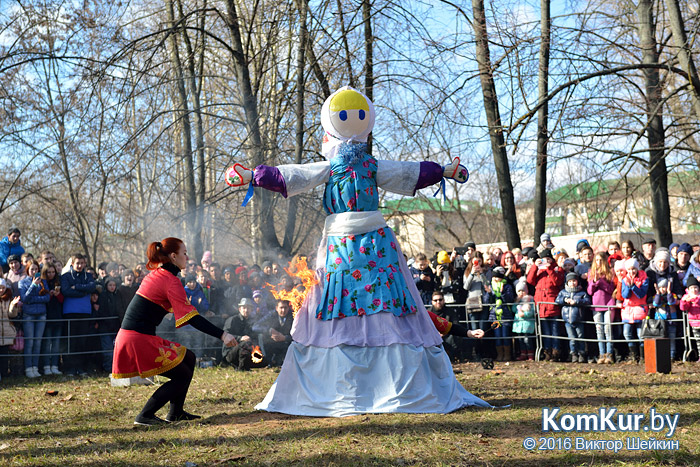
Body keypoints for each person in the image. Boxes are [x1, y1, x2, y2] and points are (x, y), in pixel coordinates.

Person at [232, 86, 489, 416]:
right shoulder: (334, 166)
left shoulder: (370, 165)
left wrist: (442, 171)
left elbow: (407, 172)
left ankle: (382, 379)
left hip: (372, 245)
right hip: (346, 245)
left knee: (383, 299)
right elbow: (295, 174)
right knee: (343, 298)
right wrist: (254, 176)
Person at [112, 238, 237, 425]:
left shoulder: (161, 275)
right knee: (182, 375)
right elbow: (192, 318)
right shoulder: (169, 280)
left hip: (138, 335)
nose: (187, 257)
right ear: (173, 256)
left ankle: (176, 412)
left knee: (189, 358)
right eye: (184, 253)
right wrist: (222, 334)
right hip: (136, 338)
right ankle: (145, 415)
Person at [60, 254, 98, 376]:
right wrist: (83, 291)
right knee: (71, 342)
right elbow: (66, 291)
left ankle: (81, 368)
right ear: (72, 264)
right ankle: (70, 368)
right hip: (70, 312)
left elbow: (92, 287)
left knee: (82, 341)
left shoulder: (88, 276)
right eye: (78, 263)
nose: (80, 265)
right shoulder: (66, 276)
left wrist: (76, 287)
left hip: (85, 312)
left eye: (82, 263)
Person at [527, 248, 565, 361]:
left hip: (552, 306)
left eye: (548, 259)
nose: (545, 261)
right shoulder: (538, 270)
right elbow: (530, 281)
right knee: (545, 332)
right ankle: (547, 352)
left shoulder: (557, 269)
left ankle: (556, 353)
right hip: (541, 307)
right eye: (544, 259)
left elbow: (557, 281)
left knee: (555, 332)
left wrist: (549, 268)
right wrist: (535, 266)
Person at [19, 260, 50, 378]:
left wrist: (34, 299)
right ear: (27, 270)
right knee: (30, 342)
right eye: (32, 269)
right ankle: (28, 368)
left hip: (41, 314)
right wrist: (33, 285)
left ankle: (35, 368)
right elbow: (25, 298)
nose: (34, 271)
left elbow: (47, 298)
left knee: (38, 342)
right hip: (29, 315)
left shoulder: (44, 282)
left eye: (36, 269)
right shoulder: (22, 283)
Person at [587, 252, 616, 364]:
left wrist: (601, 281)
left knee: (608, 330)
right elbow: (590, 291)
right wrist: (594, 282)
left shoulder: (610, 273)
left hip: (608, 304)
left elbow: (610, 289)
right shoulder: (591, 272)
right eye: (597, 260)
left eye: (600, 260)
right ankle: (601, 354)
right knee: (599, 331)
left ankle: (609, 354)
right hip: (596, 305)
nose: (598, 262)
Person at [555, 272, 591, 363]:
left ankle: (582, 354)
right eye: (570, 281)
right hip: (567, 320)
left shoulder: (582, 292)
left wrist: (577, 301)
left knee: (580, 337)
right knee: (572, 338)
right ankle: (573, 354)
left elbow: (587, 301)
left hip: (578, 319)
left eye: (574, 281)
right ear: (567, 283)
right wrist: (565, 300)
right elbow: (557, 300)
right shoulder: (563, 292)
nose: (572, 283)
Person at [221, 297, 264, 370]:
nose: (246, 310)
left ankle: (246, 364)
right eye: (244, 308)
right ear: (239, 309)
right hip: (231, 352)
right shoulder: (232, 320)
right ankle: (242, 368)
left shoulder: (252, 322)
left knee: (264, 361)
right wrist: (240, 338)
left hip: (247, 351)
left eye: (248, 308)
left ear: (251, 310)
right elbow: (224, 336)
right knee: (244, 344)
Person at [620, 258, 649, 363]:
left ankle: (642, 356)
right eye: (629, 269)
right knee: (627, 333)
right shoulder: (624, 279)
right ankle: (634, 355)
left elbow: (641, 294)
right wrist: (628, 286)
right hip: (628, 310)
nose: (632, 271)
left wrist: (633, 286)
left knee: (640, 334)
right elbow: (625, 295)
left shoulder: (644, 279)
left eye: (633, 269)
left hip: (640, 309)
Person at [40, 263, 63, 375]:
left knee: (56, 343)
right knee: (47, 343)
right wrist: (49, 295)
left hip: (58, 316)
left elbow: (63, 300)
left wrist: (58, 294)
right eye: (49, 272)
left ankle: (55, 365)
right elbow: (42, 299)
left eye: (53, 272)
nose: (51, 274)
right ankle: (46, 366)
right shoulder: (42, 283)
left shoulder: (59, 282)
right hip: (47, 316)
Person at [256, 299, 293, 366]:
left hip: (287, 344)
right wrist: (269, 330)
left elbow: (300, 336)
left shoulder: (293, 316)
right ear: (276, 308)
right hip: (273, 343)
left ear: (289, 308)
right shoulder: (271, 315)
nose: (283, 310)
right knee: (261, 336)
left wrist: (285, 338)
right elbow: (255, 326)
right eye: (281, 308)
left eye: (285, 308)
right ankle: (267, 360)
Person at [96, 278, 122, 373]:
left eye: (114, 285)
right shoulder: (103, 296)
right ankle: (107, 368)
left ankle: (116, 368)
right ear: (106, 286)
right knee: (107, 350)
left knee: (116, 349)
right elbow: (101, 311)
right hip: (105, 327)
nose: (112, 287)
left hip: (116, 326)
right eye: (110, 285)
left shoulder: (117, 296)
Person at [651, 278, 679, 360]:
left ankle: (672, 355)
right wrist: (658, 294)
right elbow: (656, 303)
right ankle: (661, 356)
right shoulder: (655, 296)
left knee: (672, 338)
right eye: (661, 287)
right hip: (660, 321)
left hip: (671, 321)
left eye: (665, 287)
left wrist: (669, 292)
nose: (663, 289)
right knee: (661, 339)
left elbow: (671, 302)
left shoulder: (673, 295)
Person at [0, 279, 20, 380]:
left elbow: (12, 314)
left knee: (4, 355)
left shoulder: (8, 299)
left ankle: (4, 373)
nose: (1, 290)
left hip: (6, 331)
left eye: (3, 288)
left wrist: (13, 305)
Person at [512, 279, 535, 361]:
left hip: (527, 323)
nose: (521, 293)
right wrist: (516, 302)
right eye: (519, 291)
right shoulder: (517, 301)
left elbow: (532, 311)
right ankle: (523, 354)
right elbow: (514, 310)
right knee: (521, 339)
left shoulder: (530, 299)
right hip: (519, 324)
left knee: (527, 339)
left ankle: (530, 355)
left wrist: (525, 314)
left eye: (523, 291)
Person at [680, 275, 700, 360]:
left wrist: (694, 299)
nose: (694, 290)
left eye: (695, 287)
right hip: (694, 322)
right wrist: (685, 301)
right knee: (698, 340)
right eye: (692, 288)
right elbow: (683, 308)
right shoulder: (686, 296)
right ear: (688, 289)